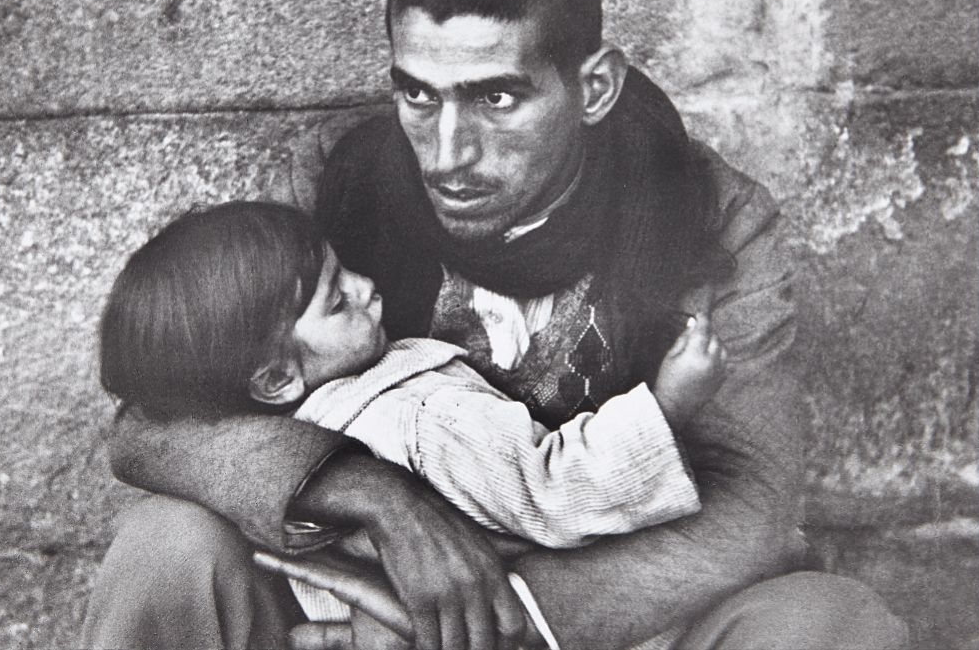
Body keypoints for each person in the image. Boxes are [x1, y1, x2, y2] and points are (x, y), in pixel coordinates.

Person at [83, 0, 908, 650]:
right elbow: (155, 423)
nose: (446, 154)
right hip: (355, 612)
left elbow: (752, 514)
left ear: (593, 88)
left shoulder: (714, 219)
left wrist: (482, 619)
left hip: (596, 623)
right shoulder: (334, 185)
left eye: (496, 99)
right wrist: (376, 499)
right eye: (417, 95)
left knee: (835, 626)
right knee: (169, 548)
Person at [94, 200, 728, 646]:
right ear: (275, 380)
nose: (369, 287)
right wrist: (667, 409)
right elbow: (552, 491)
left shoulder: (284, 439)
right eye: (338, 298)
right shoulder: (420, 417)